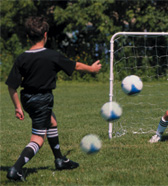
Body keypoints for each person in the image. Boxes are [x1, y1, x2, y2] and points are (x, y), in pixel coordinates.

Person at [5, 16, 102, 181]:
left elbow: (11, 85)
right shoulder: (51, 55)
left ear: (28, 37)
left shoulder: (22, 58)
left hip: (28, 99)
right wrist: (92, 69)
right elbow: (76, 66)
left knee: (52, 122)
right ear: (45, 35)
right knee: (37, 139)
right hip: (42, 100)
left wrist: (17, 107)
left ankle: (60, 160)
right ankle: (16, 169)